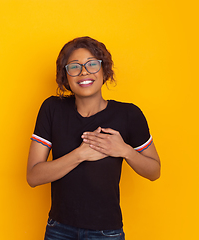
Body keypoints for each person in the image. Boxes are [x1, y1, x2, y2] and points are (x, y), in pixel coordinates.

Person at [26, 36, 160, 240]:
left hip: (107, 232)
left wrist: (124, 150)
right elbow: (33, 177)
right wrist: (80, 154)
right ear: (66, 76)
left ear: (104, 70)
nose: (84, 72)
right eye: (74, 67)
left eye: (92, 64)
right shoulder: (52, 109)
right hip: (59, 229)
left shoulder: (128, 114)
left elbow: (154, 171)